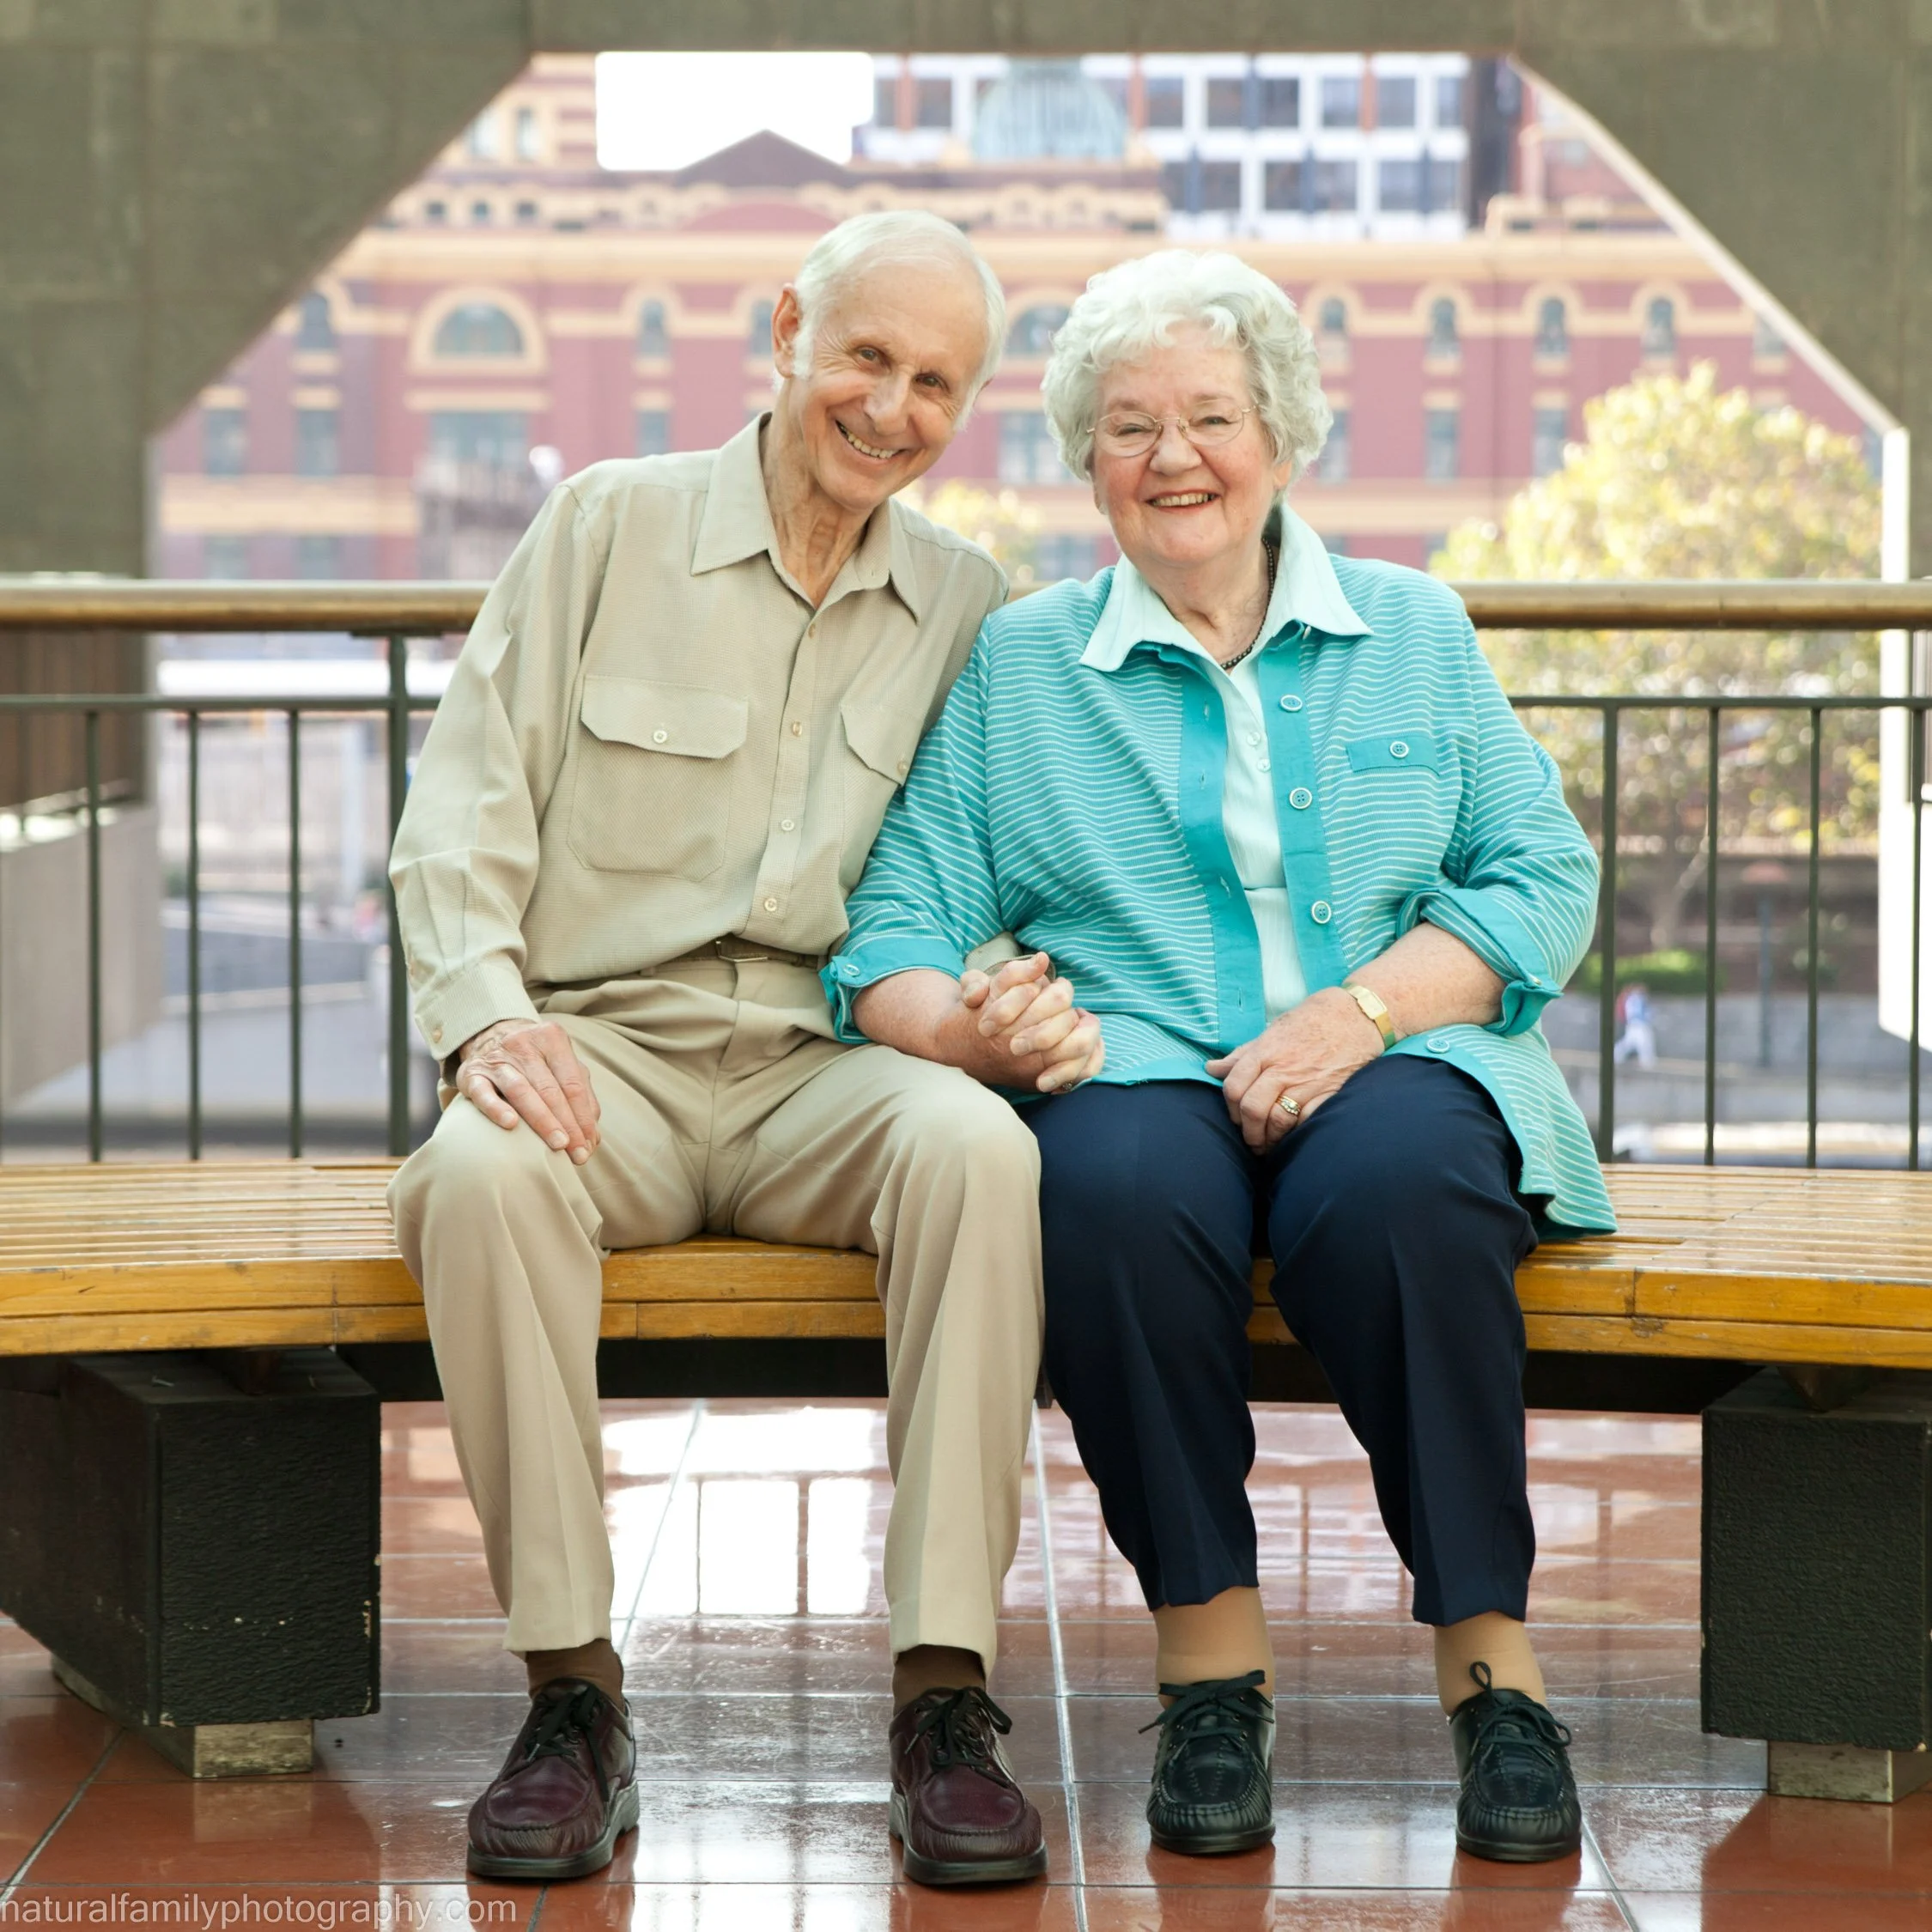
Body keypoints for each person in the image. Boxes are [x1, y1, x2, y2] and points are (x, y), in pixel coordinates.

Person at [828, 250, 1618, 1867]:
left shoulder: (1408, 626)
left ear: (1282, 434)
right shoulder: (1027, 665)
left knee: (1406, 1188)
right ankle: (1209, 1668)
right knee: (1108, 1192)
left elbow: (1541, 876)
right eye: (1129, 426)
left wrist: (1361, 1016)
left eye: (1209, 417)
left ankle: (1492, 1670)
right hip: (1141, 1064)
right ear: (1086, 461)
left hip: (1386, 1051)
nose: (1172, 457)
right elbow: (894, 925)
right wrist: (971, 1032)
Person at [387, 211, 1102, 1888]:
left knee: (982, 1150)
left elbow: (976, 870)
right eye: (867, 357)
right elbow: (463, 803)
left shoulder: (962, 603)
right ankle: (574, 1695)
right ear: (786, 330)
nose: (892, 407)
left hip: (819, 1074)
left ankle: (944, 1698)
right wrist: (485, 1012)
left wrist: (1000, 998)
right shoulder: (602, 529)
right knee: (477, 1181)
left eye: (937, 383)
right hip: (600, 1061)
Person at [1614, 981, 1659, 1066]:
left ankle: (1616, 1056)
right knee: (1643, 1042)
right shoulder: (1636, 999)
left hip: (1634, 1024)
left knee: (1629, 1043)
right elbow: (1638, 1013)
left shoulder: (1632, 999)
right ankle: (1647, 1061)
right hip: (1639, 1024)